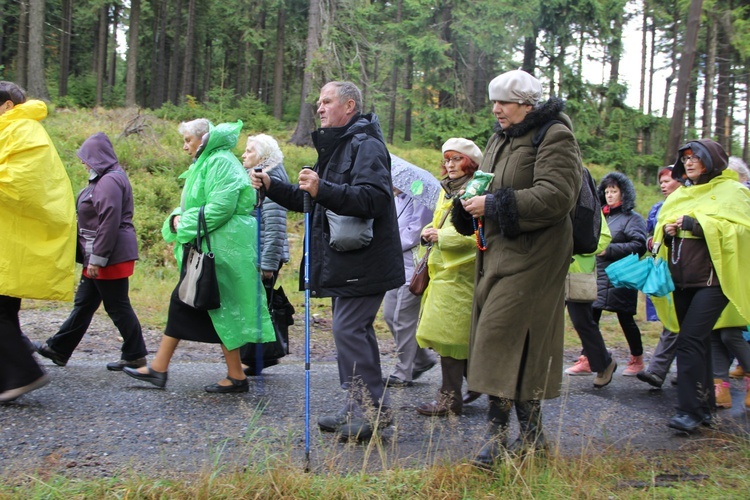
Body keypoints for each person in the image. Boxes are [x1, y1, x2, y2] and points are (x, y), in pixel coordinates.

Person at [252, 81, 403, 440]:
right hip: (347, 259)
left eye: (327, 101)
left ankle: (371, 411)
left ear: (349, 105)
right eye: (318, 102)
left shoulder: (366, 144)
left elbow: (374, 199)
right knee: (352, 332)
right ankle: (359, 407)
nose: (318, 108)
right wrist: (273, 187)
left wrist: (325, 188)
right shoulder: (338, 146)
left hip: (365, 261)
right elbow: (314, 200)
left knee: (349, 330)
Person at [451, 70, 582, 466]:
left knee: (497, 336)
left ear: (527, 103)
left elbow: (557, 196)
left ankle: (495, 435)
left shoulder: (556, 135)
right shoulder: (499, 137)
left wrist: (494, 206)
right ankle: (533, 438)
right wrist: (465, 202)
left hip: (536, 257)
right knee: (516, 344)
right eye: (494, 101)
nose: (496, 109)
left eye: (503, 102)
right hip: (497, 253)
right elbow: (486, 184)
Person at [123, 119, 275, 393]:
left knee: (199, 303)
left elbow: (221, 208)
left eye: (188, 141)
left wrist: (183, 223)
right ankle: (232, 373)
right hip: (213, 247)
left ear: (203, 138)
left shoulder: (219, 162)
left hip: (220, 250)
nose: (185, 147)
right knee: (208, 306)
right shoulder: (211, 161)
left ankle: (162, 368)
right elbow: (197, 204)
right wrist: (176, 220)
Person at [651, 139, 750, 432]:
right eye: (686, 158)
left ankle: (689, 411)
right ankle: (705, 407)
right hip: (682, 281)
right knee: (700, 342)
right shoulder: (683, 194)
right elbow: (660, 230)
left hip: (713, 282)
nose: (689, 162)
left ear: (712, 160)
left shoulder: (733, 192)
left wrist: (697, 225)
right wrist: (667, 231)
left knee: (690, 340)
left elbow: (743, 232)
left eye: (696, 157)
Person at [36, 133, 148, 371]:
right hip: (99, 254)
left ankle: (136, 354)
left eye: (86, 157)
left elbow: (108, 221)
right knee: (85, 303)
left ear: (97, 157)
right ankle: (59, 348)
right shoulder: (104, 178)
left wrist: (98, 259)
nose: (83, 162)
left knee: (117, 306)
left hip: (109, 256)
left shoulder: (109, 181)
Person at [0, 81, 76, 402]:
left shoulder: (23, 130)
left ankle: (23, 375)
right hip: (9, 240)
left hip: (13, 242)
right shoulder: (13, 130)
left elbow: (22, 184)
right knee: (4, 311)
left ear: (6, 105)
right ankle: (14, 375)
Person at [414, 138, 480, 416]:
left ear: (469, 163)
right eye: (448, 160)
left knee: (450, 337)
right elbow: (439, 221)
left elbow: (477, 234)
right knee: (448, 337)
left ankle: (450, 399)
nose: (450, 165)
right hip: (441, 274)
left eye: (457, 160)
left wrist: (441, 236)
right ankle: (476, 383)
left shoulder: (477, 189)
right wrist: (428, 231)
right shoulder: (447, 189)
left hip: (460, 275)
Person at [239, 133, 291, 376]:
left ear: (262, 155)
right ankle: (258, 357)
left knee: (262, 306)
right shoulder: (260, 178)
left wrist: (267, 266)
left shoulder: (272, 179)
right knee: (258, 305)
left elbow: (275, 225)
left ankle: (263, 355)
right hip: (257, 254)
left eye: (249, 150)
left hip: (265, 257)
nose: (244, 154)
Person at [381, 185, 437, 388]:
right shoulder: (396, 199)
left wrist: (388, 242)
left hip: (413, 270)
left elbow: (415, 234)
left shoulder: (420, 197)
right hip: (392, 268)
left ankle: (403, 372)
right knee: (389, 315)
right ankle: (422, 359)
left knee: (403, 319)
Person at [593, 172, 648, 376]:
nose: (609, 195)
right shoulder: (601, 216)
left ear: (623, 193)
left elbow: (640, 245)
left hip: (621, 275)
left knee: (625, 318)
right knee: (591, 317)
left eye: (613, 191)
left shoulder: (632, 219)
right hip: (599, 274)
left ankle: (637, 358)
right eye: (606, 191)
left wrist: (611, 250)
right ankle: (589, 357)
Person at [636, 166, 682, 388]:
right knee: (673, 320)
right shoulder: (657, 209)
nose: (663, 185)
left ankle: (660, 370)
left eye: (668, 181)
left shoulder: (690, 204)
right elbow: (649, 237)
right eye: (661, 181)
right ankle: (669, 371)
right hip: (665, 271)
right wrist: (652, 243)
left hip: (688, 271)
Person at [564, 213, 617, 387]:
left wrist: (579, 247)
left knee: (582, 322)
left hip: (577, 272)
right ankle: (539, 370)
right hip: (551, 270)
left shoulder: (588, 201)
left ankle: (604, 363)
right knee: (545, 323)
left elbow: (604, 237)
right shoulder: (554, 195)